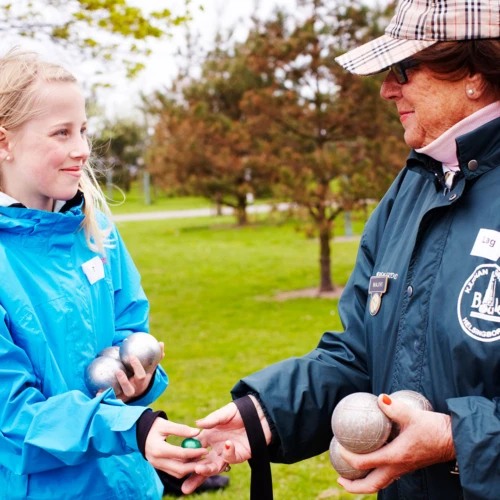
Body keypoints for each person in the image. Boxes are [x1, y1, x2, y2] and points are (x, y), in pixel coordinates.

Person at [181, 0, 500, 498]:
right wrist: (262, 413)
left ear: (474, 72)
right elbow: (361, 356)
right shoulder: (411, 189)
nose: (386, 89)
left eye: (403, 69)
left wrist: (458, 437)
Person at [0, 49, 216, 499]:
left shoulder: (97, 232)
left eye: (83, 130)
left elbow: (130, 329)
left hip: (127, 484)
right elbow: (13, 417)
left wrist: (140, 383)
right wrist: (130, 428)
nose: (81, 149)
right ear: (5, 142)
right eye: (61, 133)